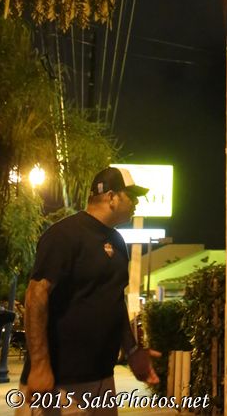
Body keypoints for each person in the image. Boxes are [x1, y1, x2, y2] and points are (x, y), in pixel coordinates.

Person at [21, 166, 160, 415]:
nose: (137, 203)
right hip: (60, 384)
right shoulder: (64, 235)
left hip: (102, 379)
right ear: (111, 197)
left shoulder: (118, 242)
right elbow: (35, 295)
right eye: (132, 196)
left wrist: (132, 351)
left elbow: (114, 301)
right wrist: (40, 365)